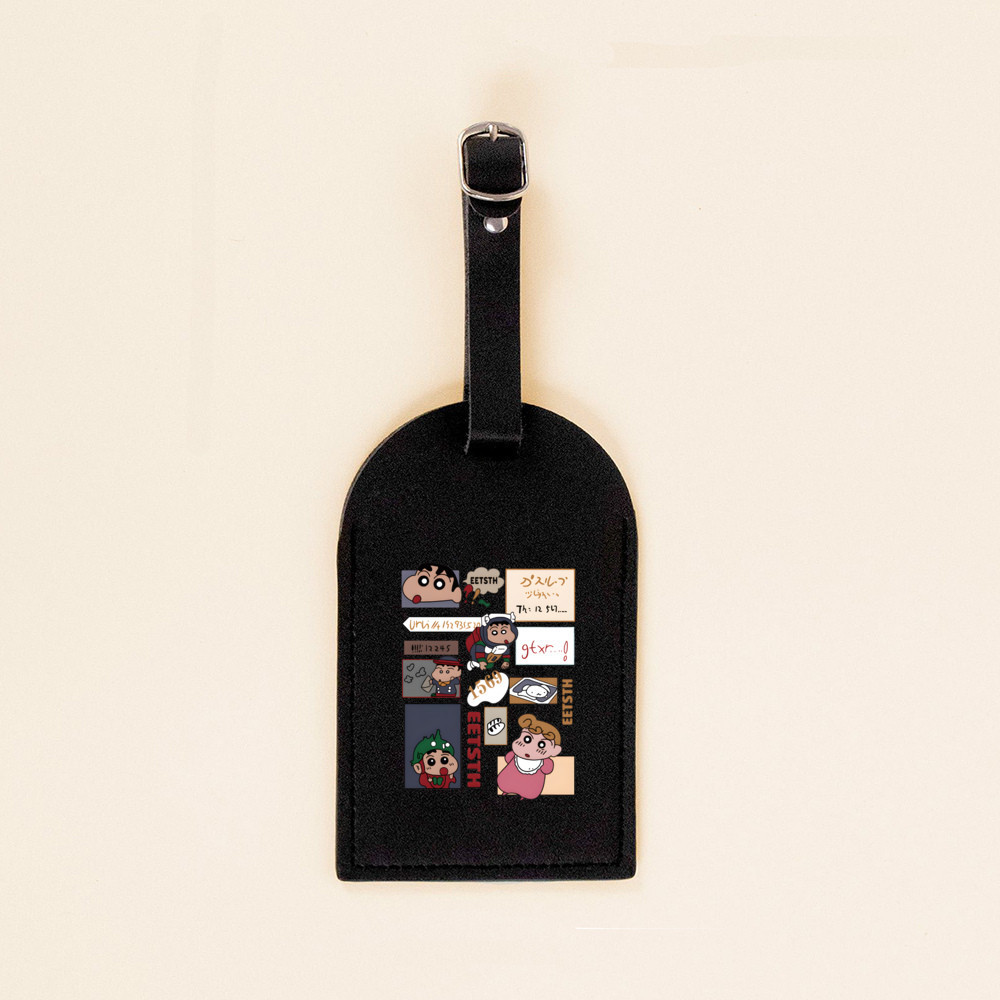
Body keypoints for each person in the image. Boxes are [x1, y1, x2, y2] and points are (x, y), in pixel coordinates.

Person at [497, 715, 562, 799]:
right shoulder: (514, 755)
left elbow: (547, 769)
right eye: (527, 739)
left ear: (555, 750)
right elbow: (508, 758)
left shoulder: (544, 762)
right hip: (507, 783)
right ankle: (506, 789)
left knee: (529, 791)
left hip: (529, 789)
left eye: (541, 745)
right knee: (506, 784)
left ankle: (524, 795)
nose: (531, 747)